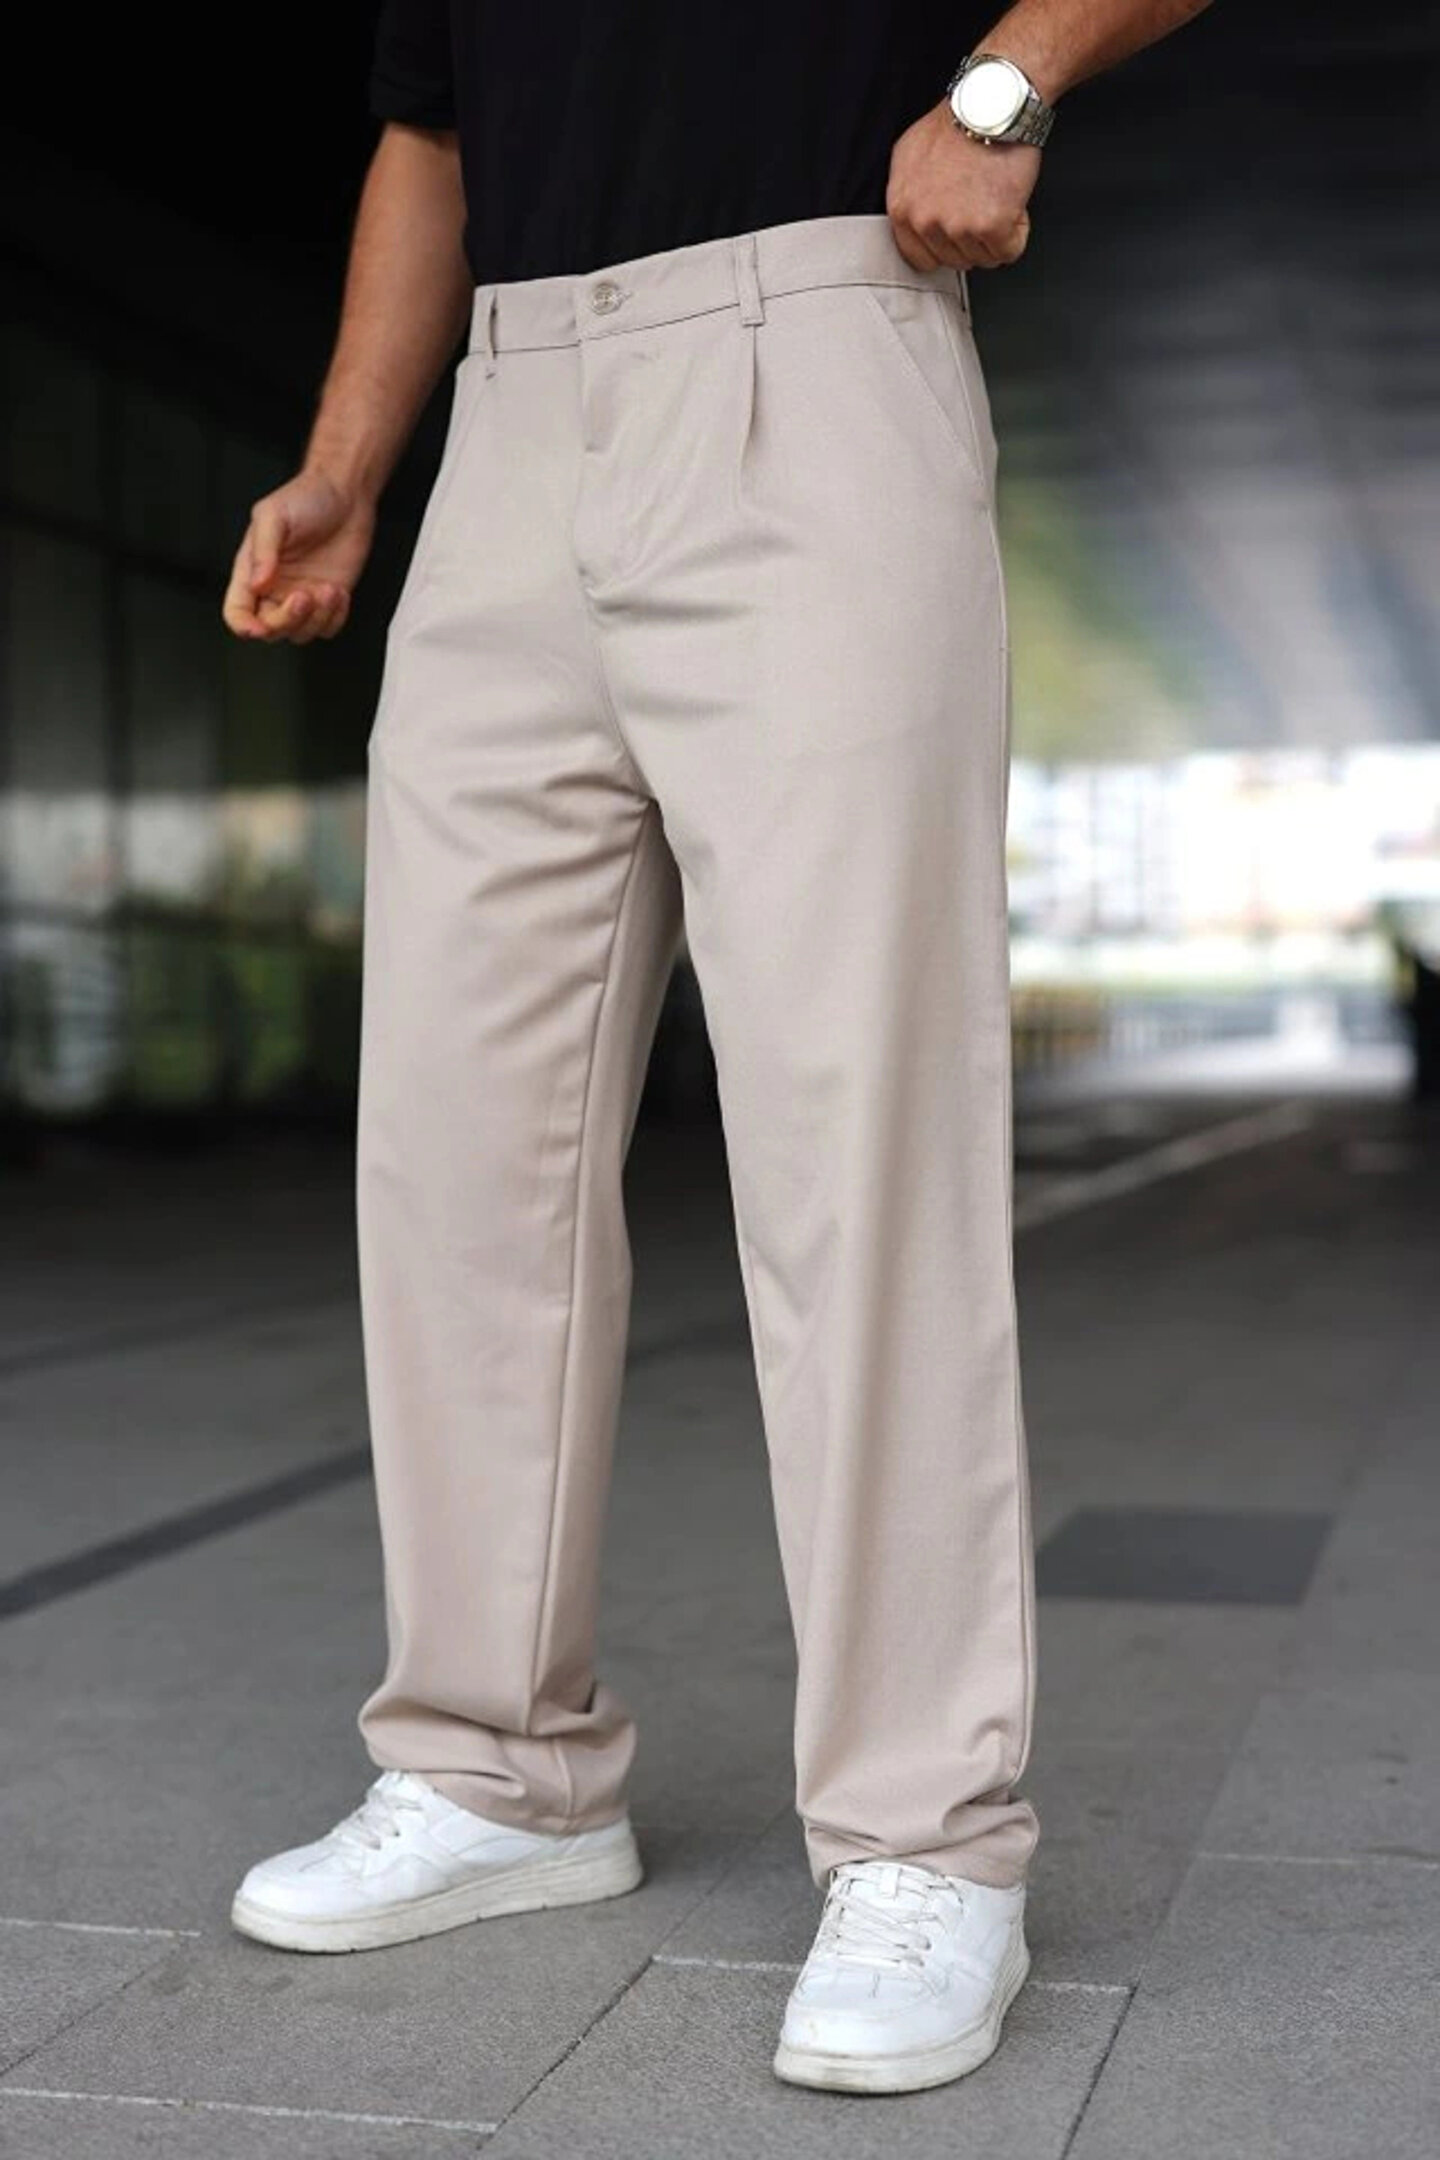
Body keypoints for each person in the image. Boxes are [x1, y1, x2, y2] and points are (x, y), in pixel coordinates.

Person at [223, 0, 1211, 2096]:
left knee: (858, 1146)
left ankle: (928, 1838)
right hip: (507, 423)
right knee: (455, 1149)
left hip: (816, 357)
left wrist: (1009, 84)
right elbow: (430, 129)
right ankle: (497, 1769)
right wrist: (349, 466)